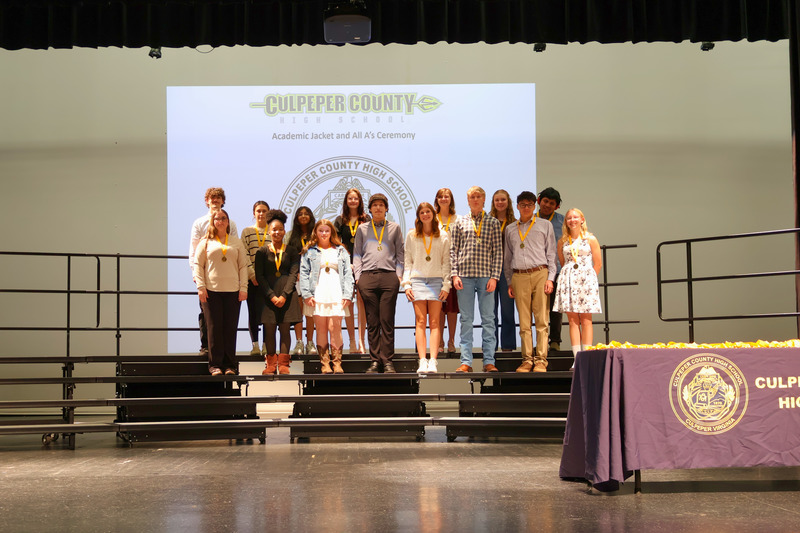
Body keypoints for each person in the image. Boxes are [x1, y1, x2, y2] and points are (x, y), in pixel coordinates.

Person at [449, 186, 503, 373]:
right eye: (472, 197)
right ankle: (466, 362)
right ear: (468, 200)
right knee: (466, 320)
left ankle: (489, 361)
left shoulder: (493, 223)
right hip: (464, 277)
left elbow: (498, 252)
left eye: (478, 196)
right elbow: (453, 251)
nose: (475, 199)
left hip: (486, 277)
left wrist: (495, 277)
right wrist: (454, 274)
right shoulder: (459, 222)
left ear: (484, 199)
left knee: (488, 320)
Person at [504, 191, 557, 373]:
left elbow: (551, 254)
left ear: (535, 206)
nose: (526, 208)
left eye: (529, 205)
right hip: (519, 276)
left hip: (540, 273)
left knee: (542, 319)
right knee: (524, 322)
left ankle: (541, 360)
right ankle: (527, 360)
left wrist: (550, 278)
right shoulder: (511, 228)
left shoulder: (545, 225)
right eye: (522, 205)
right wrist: (510, 281)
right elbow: (507, 257)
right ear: (517, 206)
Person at [193, 208, 249, 375]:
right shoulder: (205, 242)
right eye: (217, 219)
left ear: (228, 222)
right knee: (213, 328)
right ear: (213, 222)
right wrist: (201, 287)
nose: (221, 221)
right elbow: (198, 265)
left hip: (233, 291)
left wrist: (243, 288)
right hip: (211, 291)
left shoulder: (236, 242)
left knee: (230, 328)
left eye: (224, 218)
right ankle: (215, 365)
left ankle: (230, 365)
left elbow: (243, 266)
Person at [353, 193, 404, 373]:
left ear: (386, 208)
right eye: (374, 205)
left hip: (389, 276)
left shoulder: (395, 228)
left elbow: (400, 255)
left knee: (387, 320)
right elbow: (357, 254)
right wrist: (358, 278)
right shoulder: (362, 229)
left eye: (381, 205)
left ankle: (387, 361)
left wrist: (398, 277)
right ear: (370, 209)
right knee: (372, 321)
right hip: (367, 277)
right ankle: (375, 360)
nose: (378, 208)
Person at [299, 219, 355, 374]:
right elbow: (303, 274)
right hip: (317, 291)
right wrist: (306, 294)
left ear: (332, 233)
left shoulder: (341, 250)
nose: (324, 233)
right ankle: (325, 363)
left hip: (336, 290)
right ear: (315, 233)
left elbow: (348, 275)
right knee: (321, 328)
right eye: (320, 231)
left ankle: (337, 362)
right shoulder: (309, 251)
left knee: (335, 327)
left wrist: (347, 295)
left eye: (327, 231)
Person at [402, 202, 451, 373]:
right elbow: (407, 261)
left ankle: (433, 360)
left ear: (433, 214)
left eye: (428, 211)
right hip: (417, 281)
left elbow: (446, 263)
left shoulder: (443, 235)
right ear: (418, 216)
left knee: (435, 322)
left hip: (437, 281)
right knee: (420, 321)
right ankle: (422, 360)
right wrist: (406, 284)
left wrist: (447, 285)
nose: (425, 215)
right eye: (422, 212)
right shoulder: (411, 235)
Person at [189, 187, 239, 357]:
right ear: (207, 201)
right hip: (205, 274)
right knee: (206, 313)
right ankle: (205, 347)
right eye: (212, 198)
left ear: (223, 201)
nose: (215, 200)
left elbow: (235, 246)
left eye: (218, 198)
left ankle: (222, 349)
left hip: (226, 277)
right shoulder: (199, 223)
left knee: (225, 317)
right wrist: (195, 274)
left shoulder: (229, 222)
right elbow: (194, 249)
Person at [552, 208, 602, 369]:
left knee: (586, 319)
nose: (572, 220)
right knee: (573, 320)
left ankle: (586, 357)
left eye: (575, 217)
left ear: (582, 219)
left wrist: (589, 280)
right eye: (569, 218)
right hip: (568, 280)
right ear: (566, 222)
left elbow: (598, 263)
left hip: (586, 281)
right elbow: (563, 261)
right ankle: (577, 359)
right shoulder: (562, 241)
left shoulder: (590, 239)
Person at [254, 210, 302, 375]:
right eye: (274, 229)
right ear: (269, 231)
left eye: (280, 229)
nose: (277, 232)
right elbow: (259, 276)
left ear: (284, 231)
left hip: (287, 295)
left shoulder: (292, 251)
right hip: (268, 297)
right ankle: (270, 365)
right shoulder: (261, 252)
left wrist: (284, 295)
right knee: (269, 330)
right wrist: (272, 296)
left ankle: (283, 365)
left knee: (284, 329)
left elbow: (293, 274)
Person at [333, 188, 369, 354]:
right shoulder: (340, 220)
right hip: (346, 266)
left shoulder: (366, 219)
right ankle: (352, 342)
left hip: (364, 265)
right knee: (347, 302)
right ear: (346, 201)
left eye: (356, 199)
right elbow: (335, 242)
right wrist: (347, 260)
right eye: (350, 198)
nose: (353, 201)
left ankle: (362, 341)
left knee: (362, 303)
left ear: (360, 201)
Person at [536, 187, 565, 351]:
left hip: (558, 270)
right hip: (536, 270)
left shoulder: (562, 221)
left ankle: (555, 341)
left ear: (557, 206)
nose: (547, 205)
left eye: (551, 203)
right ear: (539, 201)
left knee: (555, 307)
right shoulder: (530, 219)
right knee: (538, 308)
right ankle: (540, 341)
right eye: (545, 201)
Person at [240, 201, 271, 356]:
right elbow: (244, 255)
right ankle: (255, 345)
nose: (261, 214)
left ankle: (266, 345)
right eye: (258, 211)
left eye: (264, 211)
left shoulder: (273, 231)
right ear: (254, 213)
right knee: (252, 312)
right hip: (251, 280)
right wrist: (252, 275)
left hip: (269, 280)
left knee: (268, 313)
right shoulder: (247, 232)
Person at [287, 206, 317, 357]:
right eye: (300, 214)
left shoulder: (316, 235)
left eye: (306, 214)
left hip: (313, 278)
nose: (303, 216)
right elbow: (287, 257)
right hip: (297, 278)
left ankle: (310, 342)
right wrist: (295, 273)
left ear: (311, 217)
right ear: (296, 218)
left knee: (310, 312)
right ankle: (299, 342)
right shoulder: (290, 236)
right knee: (298, 312)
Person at [490, 189, 518, 352]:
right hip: (489, 272)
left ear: (508, 202)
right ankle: (491, 348)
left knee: (508, 312)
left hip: (508, 272)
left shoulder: (515, 223)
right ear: (493, 203)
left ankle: (507, 347)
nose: (500, 202)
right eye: (497, 200)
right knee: (490, 314)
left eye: (503, 200)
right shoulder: (487, 222)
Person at [434, 187, 460, 355]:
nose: (444, 199)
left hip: (454, 266)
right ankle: (440, 340)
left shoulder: (458, 219)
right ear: (436, 200)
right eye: (441, 196)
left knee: (452, 307)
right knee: (439, 307)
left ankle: (451, 340)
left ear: (451, 199)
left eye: (447, 196)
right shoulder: (431, 217)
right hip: (435, 267)